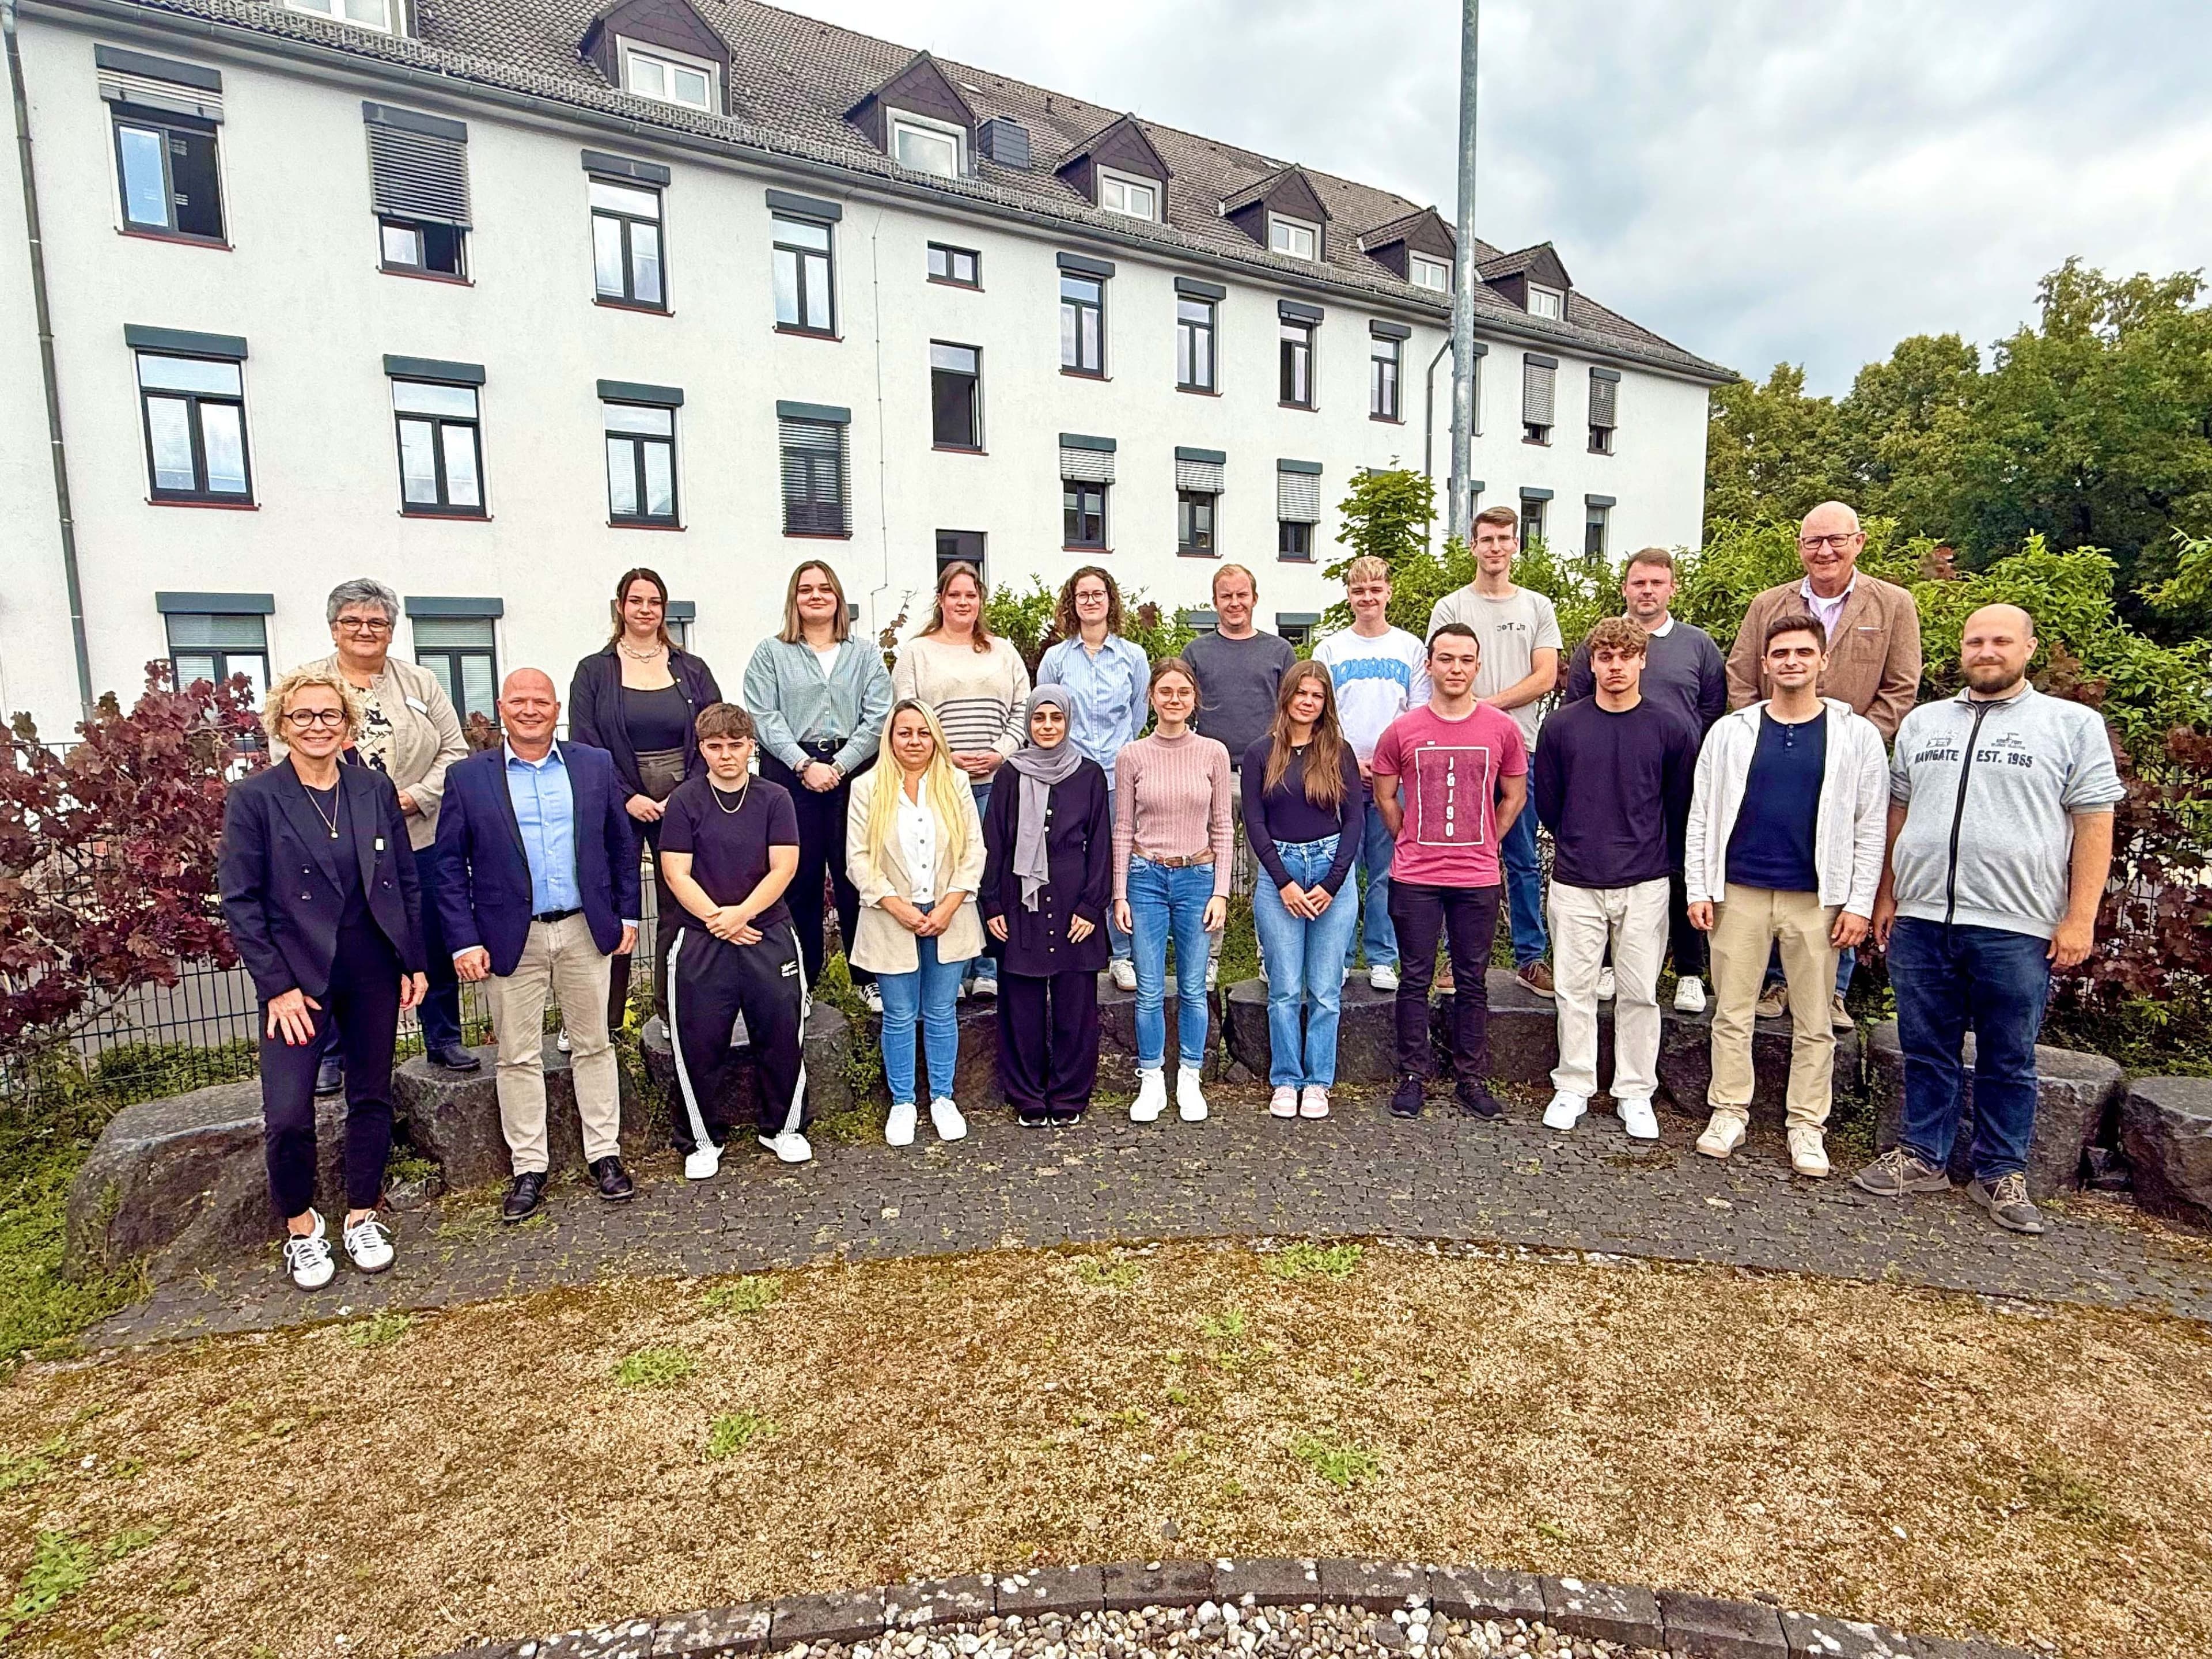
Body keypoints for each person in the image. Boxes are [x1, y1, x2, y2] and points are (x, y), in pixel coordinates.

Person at [1855, 605, 2123, 1236]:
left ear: (2029, 648)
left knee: (2009, 1054)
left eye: (2002, 640)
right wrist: (1886, 895)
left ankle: (2001, 1172)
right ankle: (1922, 1157)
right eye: (1976, 640)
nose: (1987, 650)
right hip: (1922, 918)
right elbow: (1898, 812)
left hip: (2016, 922)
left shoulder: (2070, 725)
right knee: (1926, 1046)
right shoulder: (1924, 723)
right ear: (1962, 650)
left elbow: (2093, 824)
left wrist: (2079, 917)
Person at [219, 666, 427, 1289]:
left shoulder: (371, 789)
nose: (317, 725)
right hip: (297, 977)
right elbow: (241, 900)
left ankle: (363, 1213)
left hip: (371, 965)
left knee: (371, 1095)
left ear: (347, 725)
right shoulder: (255, 799)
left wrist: (412, 959)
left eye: (329, 715)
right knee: (287, 1113)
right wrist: (276, 987)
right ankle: (302, 1228)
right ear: (282, 726)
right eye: (303, 716)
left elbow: (404, 883)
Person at [1685, 615, 1889, 1177]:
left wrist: (1859, 903)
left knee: (1815, 1018)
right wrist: (1700, 886)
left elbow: (1871, 824)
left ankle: (1806, 1124)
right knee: (1731, 1012)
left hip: (1816, 898)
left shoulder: (1855, 736)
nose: (1792, 661)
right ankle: (1729, 1111)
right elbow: (1703, 813)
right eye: (1781, 653)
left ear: (1823, 661)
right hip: (1739, 891)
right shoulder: (1732, 731)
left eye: (1804, 652)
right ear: (1766, 663)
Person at [434, 669, 642, 1222]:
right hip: (510, 936)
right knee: (516, 1054)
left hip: (583, 928)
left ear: (556, 709)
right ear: (502, 708)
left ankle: (606, 1155)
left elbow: (621, 845)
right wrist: (462, 940)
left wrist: (627, 913)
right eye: (519, 701)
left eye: (541, 701)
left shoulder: (593, 765)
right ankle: (529, 1167)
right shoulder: (467, 778)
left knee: (595, 1044)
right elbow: (449, 867)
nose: (531, 710)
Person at [1725, 502, 1923, 1029]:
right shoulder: (1770, 604)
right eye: (1814, 542)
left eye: (1836, 540)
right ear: (1800, 547)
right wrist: (1760, 733)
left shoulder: (1893, 605)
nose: (1825, 551)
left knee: (1845, 858)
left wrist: (1853, 741)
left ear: (1858, 542)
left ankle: (1832, 988)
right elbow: (1742, 674)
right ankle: (1773, 979)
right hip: (1774, 753)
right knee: (1773, 858)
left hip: (1848, 760)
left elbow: (1901, 686)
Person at [291, 578, 474, 1103]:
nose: (365, 631)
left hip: (417, 829)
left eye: (377, 622)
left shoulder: (419, 682)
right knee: (338, 945)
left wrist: (413, 797)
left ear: (392, 631)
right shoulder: (310, 685)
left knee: (432, 935)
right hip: (337, 842)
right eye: (353, 621)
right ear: (334, 629)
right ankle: (331, 1054)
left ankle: (443, 1037)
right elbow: (295, 757)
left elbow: (455, 751)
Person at [1533, 618, 1699, 1139]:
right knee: (1574, 989)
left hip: (1646, 880)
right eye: (1605, 657)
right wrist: (1581, 842)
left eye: (1626, 656)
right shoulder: (1563, 726)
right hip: (1577, 877)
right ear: (1593, 664)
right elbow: (1549, 803)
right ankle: (1575, 1083)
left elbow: (1678, 803)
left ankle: (1634, 1091)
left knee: (1639, 992)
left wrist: (1655, 858)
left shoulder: (1670, 726)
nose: (1616, 667)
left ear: (1643, 660)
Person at [1559, 548, 1726, 1013]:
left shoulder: (1698, 645)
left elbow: (1712, 710)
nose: (1647, 590)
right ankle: (1610, 965)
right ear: (1625, 588)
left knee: (1677, 868)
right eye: (1638, 583)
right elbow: (1575, 706)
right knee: (1617, 875)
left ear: (1672, 587)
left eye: (1657, 582)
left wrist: (1690, 756)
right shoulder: (1597, 643)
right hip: (1608, 781)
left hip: (1678, 778)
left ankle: (1690, 971)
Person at [1370, 622, 1527, 1121]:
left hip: (1476, 878)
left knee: (1472, 980)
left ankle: (1470, 1077)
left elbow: (1514, 795)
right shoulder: (1403, 730)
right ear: (1430, 665)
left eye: (1465, 660)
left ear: (1477, 666)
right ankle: (1413, 1075)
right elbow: (1384, 794)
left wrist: (1488, 840)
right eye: (1446, 659)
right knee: (1414, 978)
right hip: (1415, 875)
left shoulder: (1501, 728)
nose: (1455, 668)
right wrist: (1407, 837)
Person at [658, 703, 812, 1174]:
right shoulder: (685, 800)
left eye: (735, 745)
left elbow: (784, 866)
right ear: (702, 749)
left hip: (767, 932)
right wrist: (716, 919)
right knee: (700, 1041)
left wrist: (742, 913)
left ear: (751, 746)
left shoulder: (774, 798)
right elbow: (675, 871)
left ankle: (783, 1129)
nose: (726, 755)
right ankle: (702, 1140)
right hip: (701, 937)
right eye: (715, 746)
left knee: (781, 1035)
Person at [567, 567, 722, 1032]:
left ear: (664, 609)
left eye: (654, 602)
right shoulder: (594, 671)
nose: (645, 609)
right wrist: (626, 796)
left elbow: (714, 733)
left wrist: (685, 795)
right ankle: (604, 1020)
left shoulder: (691, 669)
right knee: (616, 901)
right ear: (621, 607)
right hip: (619, 805)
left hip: (684, 801)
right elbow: (585, 741)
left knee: (683, 902)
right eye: (636, 600)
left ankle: (673, 1007)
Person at [742, 559, 891, 1002]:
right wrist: (805, 765)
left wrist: (840, 765)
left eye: (825, 588)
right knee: (798, 879)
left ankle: (867, 979)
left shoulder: (864, 655)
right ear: (795, 599)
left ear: (838, 598)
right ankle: (802, 980)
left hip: (855, 773)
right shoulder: (771, 653)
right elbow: (763, 716)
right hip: (790, 777)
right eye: (806, 589)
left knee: (855, 876)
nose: (816, 596)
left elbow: (879, 714)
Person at [1427, 506, 1560, 999]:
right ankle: (1451, 960)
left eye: (1505, 538)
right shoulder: (1452, 607)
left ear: (1516, 545)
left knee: (1522, 858)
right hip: (1458, 756)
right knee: (1451, 857)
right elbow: (1439, 673)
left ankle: (1530, 959)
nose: (1496, 547)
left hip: (1518, 751)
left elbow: (1546, 676)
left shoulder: (1536, 607)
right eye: (1487, 539)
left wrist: (1489, 709)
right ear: (1473, 546)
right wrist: (1474, 717)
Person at [890, 561, 1029, 1002]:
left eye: (971, 595)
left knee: (987, 870)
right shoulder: (918, 652)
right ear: (941, 600)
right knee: (947, 870)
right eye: (955, 595)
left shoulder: (1002, 651)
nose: (963, 602)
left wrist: (1001, 751)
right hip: (937, 784)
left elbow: (1024, 707)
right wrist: (945, 756)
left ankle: (986, 966)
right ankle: (954, 968)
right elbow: (905, 714)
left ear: (980, 601)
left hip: (994, 780)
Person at [848, 699, 984, 1146]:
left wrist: (947, 906)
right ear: (890, 738)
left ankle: (943, 1098)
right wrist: (898, 906)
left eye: (923, 733)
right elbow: (859, 860)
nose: (914, 741)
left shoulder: (956, 783)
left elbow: (974, 852)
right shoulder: (868, 787)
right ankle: (903, 1102)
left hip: (949, 913)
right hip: (891, 917)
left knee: (943, 1012)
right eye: (905, 732)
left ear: (935, 738)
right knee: (900, 1015)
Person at [981, 685, 1112, 1124]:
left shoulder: (1089, 774)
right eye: (1040, 719)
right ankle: (1028, 1095)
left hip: (1075, 901)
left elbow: (1101, 846)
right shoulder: (1009, 774)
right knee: (1022, 1005)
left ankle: (1070, 1095)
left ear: (1068, 721)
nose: (1048, 727)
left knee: (1076, 1006)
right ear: (1029, 723)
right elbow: (994, 840)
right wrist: (993, 904)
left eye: (1056, 718)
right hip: (1021, 901)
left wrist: (1093, 908)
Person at [1244, 663, 1367, 1120]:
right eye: (1301, 693)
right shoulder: (1262, 753)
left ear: (1325, 703)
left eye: (1317, 695)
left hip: (1332, 866)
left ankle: (1318, 1081)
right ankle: (1286, 1079)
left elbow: (1355, 820)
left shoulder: (1339, 751)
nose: (1308, 702)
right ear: (1287, 697)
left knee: (1325, 988)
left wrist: (1333, 884)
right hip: (1282, 869)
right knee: (1283, 987)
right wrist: (1284, 882)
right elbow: (1254, 822)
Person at [1113, 658, 1232, 1125]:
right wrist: (1119, 892)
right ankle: (1151, 1077)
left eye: (1183, 692)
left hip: (1197, 877)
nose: (1174, 700)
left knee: (1194, 987)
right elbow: (1123, 828)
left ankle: (1190, 1075)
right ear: (1152, 698)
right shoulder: (1133, 756)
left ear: (1193, 698)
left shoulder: (1213, 753)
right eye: (1165, 692)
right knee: (1147, 988)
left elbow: (1223, 825)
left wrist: (1221, 891)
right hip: (1146, 877)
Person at [1312, 555, 1428, 994]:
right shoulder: (1330, 649)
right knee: (1339, 870)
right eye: (1359, 591)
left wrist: (1389, 768)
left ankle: (1382, 956)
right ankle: (1338, 957)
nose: (1368, 598)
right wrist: (1347, 761)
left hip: (1394, 780)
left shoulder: (1409, 648)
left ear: (1388, 593)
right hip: (1339, 775)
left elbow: (1418, 714)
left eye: (1375, 590)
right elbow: (1320, 713)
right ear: (1349, 596)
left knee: (1385, 872)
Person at [1181, 564, 1296, 987]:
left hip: (1268, 774)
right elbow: (1183, 713)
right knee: (1212, 872)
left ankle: (1271, 958)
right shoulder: (1197, 653)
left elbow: (1294, 712)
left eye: (1242, 595)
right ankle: (1208, 959)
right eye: (1226, 596)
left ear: (1255, 598)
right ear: (1215, 602)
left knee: (1269, 869)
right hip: (1214, 775)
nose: (1235, 603)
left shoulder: (1280, 651)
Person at [1036, 566, 1150, 991]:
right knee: (1074, 863)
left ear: (1110, 600)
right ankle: (1076, 949)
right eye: (1082, 594)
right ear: (1072, 602)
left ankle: (1123, 954)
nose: (1090, 601)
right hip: (1070, 777)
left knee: (1119, 862)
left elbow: (1138, 713)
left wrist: (1121, 752)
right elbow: (1045, 714)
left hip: (1120, 776)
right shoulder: (1056, 659)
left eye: (1098, 594)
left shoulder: (1132, 657)